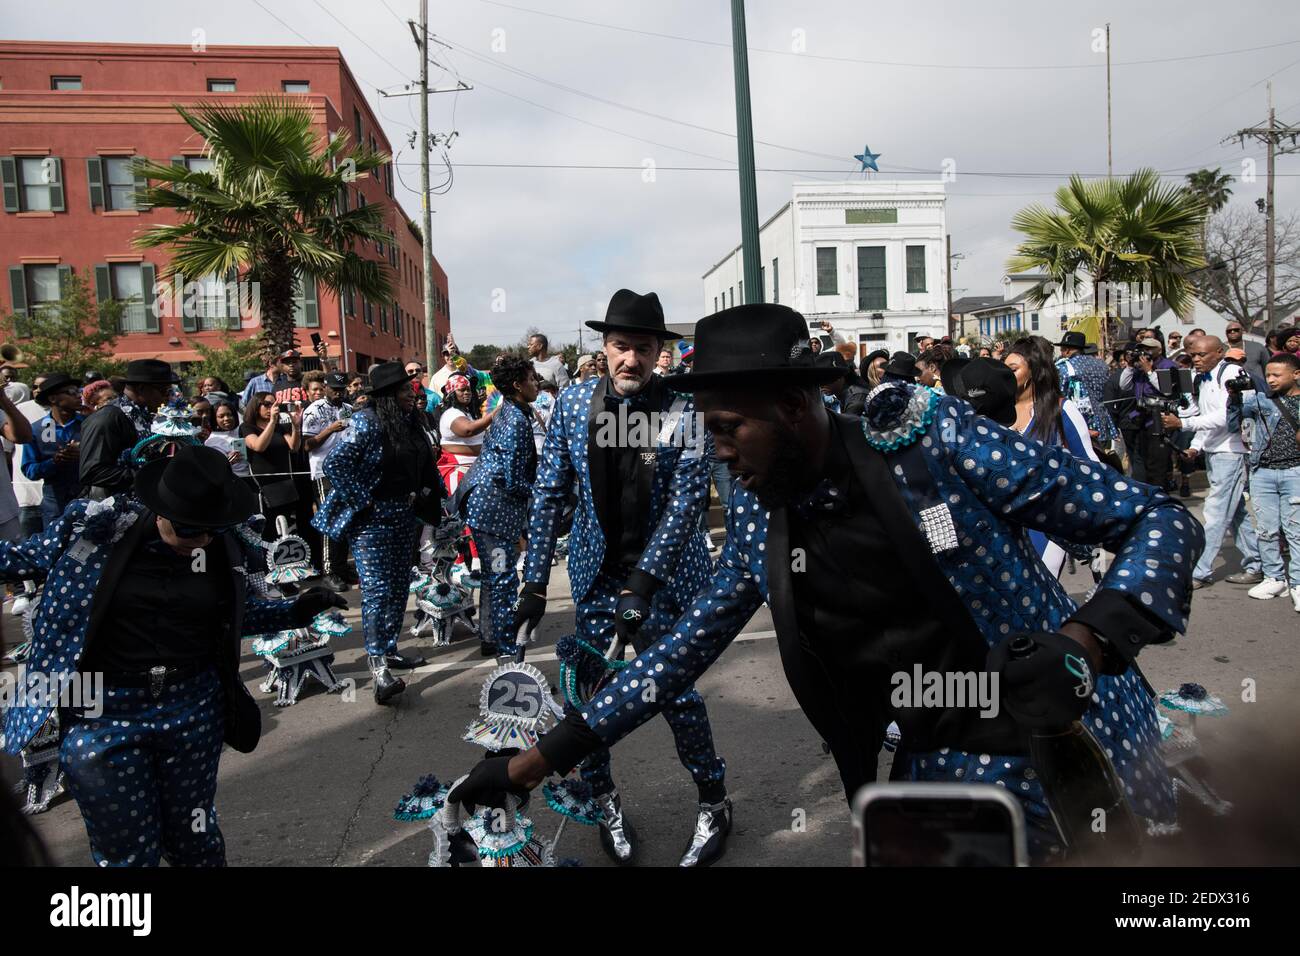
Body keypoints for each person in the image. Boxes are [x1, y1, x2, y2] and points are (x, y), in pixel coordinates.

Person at [456, 303, 1204, 862]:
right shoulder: (757, 516)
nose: (715, 455)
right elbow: (673, 657)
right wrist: (530, 764)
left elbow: (1158, 520)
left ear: (789, 407)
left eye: (724, 428)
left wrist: (1088, 639)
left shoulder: (925, 441)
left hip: (1073, 739)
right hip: (938, 768)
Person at [0, 443, 346, 865]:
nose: (200, 540)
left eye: (210, 530)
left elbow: (234, 617)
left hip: (191, 708)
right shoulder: (94, 528)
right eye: (188, 530)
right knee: (125, 851)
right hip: (100, 711)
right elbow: (17, 557)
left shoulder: (221, 545)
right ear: (160, 511)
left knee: (196, 838)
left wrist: (296, 609)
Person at [510, 288, 729, 867]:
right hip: (596, 576)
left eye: (643, 347)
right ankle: (602, 797)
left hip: (665, 579)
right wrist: (532, 584)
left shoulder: (685, 411)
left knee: (676, 694)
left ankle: (714, 799)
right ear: (604, 349)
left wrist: (645, 584)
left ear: (662, 351)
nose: (631, 358)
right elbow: (551, 491)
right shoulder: (575, 402)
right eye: (620, 346)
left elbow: (685, 507)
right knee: (590, 695)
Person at [314, 363, 440, 704]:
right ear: (385, 396)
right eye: (403, 391)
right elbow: (334, 464)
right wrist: (363, 499)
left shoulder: (409, 420)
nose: (410, 394)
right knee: (377, 591)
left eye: (410, 389)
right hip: (371, 520)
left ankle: (390, 649)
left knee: (399, 586)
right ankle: (378, 667)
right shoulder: (366, 422)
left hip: (403, 514)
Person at [1161, 335, 1262, 589]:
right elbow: (1207, 418)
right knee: (1235, 512)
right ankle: (1257, 564)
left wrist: (1184, 424)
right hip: (1216, 452)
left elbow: (1226, 414)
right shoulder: (1202, 378)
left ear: (1219, 352)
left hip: (1233, 451)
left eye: (1201, 355)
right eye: (1193, 355)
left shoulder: (1232, 373)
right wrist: (1196, 446)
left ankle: (1200, 571)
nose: (1196, 360)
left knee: (1216, 512)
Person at [460, 354, 539, 656]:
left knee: (495, 576)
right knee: (503, 577)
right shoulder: (517, 420)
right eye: (532, 379)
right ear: (518, 385)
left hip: (483, 504)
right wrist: (543, 491)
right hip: (493, 509)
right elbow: (514, 479)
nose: (537, 384)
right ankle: (508, 648)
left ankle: (491, 635)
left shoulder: (507, 407)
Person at [1005, 337, 1101, 578]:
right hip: (1005, 522)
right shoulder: (995, 412)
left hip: (1047, 522)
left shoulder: (1061, 409)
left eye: (1013, 369)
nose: (1005, 375)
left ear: (1035, 370)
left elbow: (1089, 465)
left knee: (1042, 586)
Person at [1227, 352, 1300, 611]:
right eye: (1267, 374)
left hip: (1294, 472)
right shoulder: (1258, 400)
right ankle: (1274, 578)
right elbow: (1233, 425)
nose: (1270, 379)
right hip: (1262, 472)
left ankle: (1298, 583)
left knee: (1295, 532)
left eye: (1276, 375)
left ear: (1296, 375)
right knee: (1266, 530)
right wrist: (1234, 398)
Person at [78, 358, 177, 499]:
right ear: (142, 389)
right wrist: (148, 475)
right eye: (164, 391)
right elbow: (92, 472)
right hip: (117, 510)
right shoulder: (108, 417)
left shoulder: (144, 415)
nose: (168, 397)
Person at [302, 371, 355, 592]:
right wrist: (330, 429)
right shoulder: (313, 410)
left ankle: (341, 567)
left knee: (347, 521)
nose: (338, 394)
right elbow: (306, 445)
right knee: (330, 519)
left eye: (342, 390)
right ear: (325, 388)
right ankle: (328, 570)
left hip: (348, 471)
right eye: (334, 389)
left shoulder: (350, 409)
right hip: (324, 472)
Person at [240, 391, 307, 548]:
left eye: (274, 404)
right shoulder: (247, 427)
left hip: (285, 485)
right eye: (267, 404)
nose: (272, 407)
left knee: (289, 529)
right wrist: (272, 422)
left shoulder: (278, 427)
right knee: (270, 529)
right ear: (256, 406)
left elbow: (294, 447)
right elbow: (258, 446)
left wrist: (295, 426)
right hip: (264, 486)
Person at [21, 374, 84, 528]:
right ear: (53, 399)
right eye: (71, 392)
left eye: (78, 391)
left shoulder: (90, 424)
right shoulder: (37, 430)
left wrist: (83, 453)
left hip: (88, 502)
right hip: (55, 508)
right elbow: (30, 470)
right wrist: (54, 462)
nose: (78, 396)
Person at [1055, 330, 1121, 453]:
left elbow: (1059, 396)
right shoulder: (1101, 365)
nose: (1062, 353)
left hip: (1078, 425)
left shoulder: (1064, 368)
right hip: (1103, 422)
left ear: (1068, 350)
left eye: (1062, 350)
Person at [437, 373, 493, 501]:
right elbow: (468, 430)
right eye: (462, 389)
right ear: (452, 393)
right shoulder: (450, 413)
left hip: (476, 468)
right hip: (458, 470)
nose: (467, 392)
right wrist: (494, 414)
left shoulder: (469, 413)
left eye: (468, 389)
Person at [204, 400, 252, 482]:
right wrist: (228, 461)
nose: (226, 419)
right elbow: (213, 468)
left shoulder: (243, 430)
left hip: (251, 477)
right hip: (231, 481)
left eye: (229, 415)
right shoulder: (211, 441)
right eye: (221, 416)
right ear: (215, 419)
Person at [816, 351, 870, 415]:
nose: (821, 385)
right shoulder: (843, 394)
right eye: (818, 379)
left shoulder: (856, 397)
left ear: (840, 376)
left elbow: (849, 423)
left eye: (825, 378)